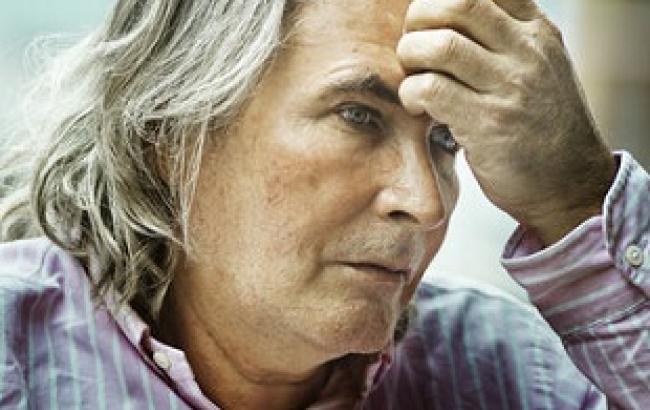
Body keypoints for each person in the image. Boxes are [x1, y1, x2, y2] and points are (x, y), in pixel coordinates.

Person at [0, 0, 647, 408]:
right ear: (169, 134)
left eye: (446, 140)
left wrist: (575, 200)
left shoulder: (511, 371)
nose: (424, 203)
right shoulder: (15, 355)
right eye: (358, 116)